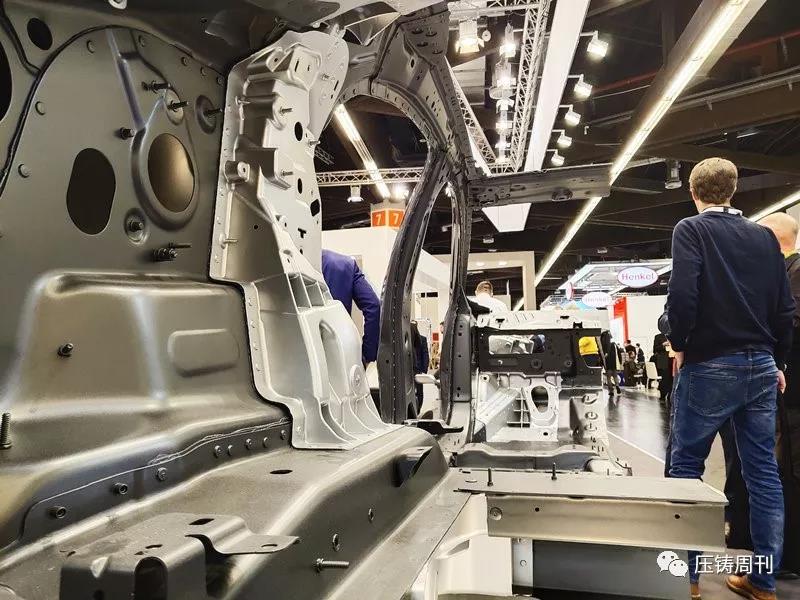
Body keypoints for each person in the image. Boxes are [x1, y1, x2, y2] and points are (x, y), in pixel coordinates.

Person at [659, 158, 794, 600]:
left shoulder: (691, 230)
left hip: (709, 364)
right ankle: (763, 581)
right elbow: (784, 308)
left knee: (686, 470)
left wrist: (678, 339)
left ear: (693, 192)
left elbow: (683, 294)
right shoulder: (764, 237)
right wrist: (779, 362)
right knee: (763, 474)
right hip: (760, 366)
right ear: (733, 190)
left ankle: (686, 580)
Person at [758, 212, 800, 576]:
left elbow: (790, 322)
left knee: (791, 468)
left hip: (795, 390)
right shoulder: (784, 274)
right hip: (788, 389)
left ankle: (790, 559)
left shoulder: (794, 274)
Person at [321, 250, 381, 365]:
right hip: (341, 354)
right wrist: (367, 355)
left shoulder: (290, 264)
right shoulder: (346, 264)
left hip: (301, 355)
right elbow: (374, 306)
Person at [410, 321, 429, 414]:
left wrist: (424, 369)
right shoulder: (405, 339)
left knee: (419, 390)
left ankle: (418, 409)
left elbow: (425, 354)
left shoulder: (422, 339)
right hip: (410, 368)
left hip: (417, 368)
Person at [601, 331, 622, 395]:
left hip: (608, 363)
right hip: (614, 363)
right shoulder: (614, 344)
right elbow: (619, 354)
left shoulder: (603, 345)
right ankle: (617, 386)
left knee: (609, 377)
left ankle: (611, 391)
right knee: (615, 376)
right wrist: (620, 362)